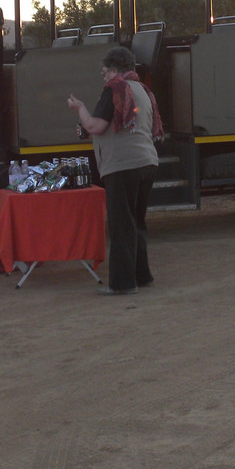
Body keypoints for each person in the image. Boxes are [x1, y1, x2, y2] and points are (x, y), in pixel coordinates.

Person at [67, 47, 163, 295]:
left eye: (104, 73)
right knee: (136, 222)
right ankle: (142, 275)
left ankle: (123, 283)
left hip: (123, 165)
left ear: (113, 70)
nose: (104, 78)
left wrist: (80, 108)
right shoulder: (142, 90)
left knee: (121, 225)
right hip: (147, 162)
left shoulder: (116, 89)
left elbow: (94, 125)